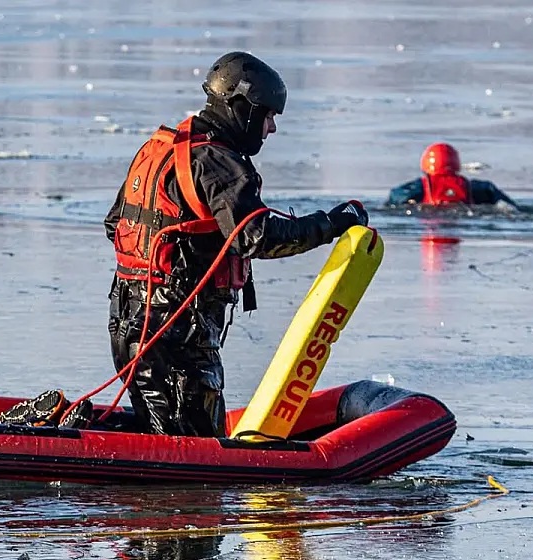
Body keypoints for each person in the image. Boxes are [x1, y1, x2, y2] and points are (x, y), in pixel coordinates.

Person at [104, 51, 368, 437]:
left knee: (163, 431)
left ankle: (149, 493)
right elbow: (257, 237)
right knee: (195, 450)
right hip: (177, 331)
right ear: (241, 107)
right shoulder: (218, 162)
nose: (272, 128)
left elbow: (116, 225)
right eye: (268, 115)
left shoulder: (158, 149)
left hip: (127, 320)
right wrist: (331, 223)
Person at [387, 142, 517, 208]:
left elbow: (395, 196)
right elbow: (511, 206)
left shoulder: (420, 186)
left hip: (430, 213)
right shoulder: (475, 187)